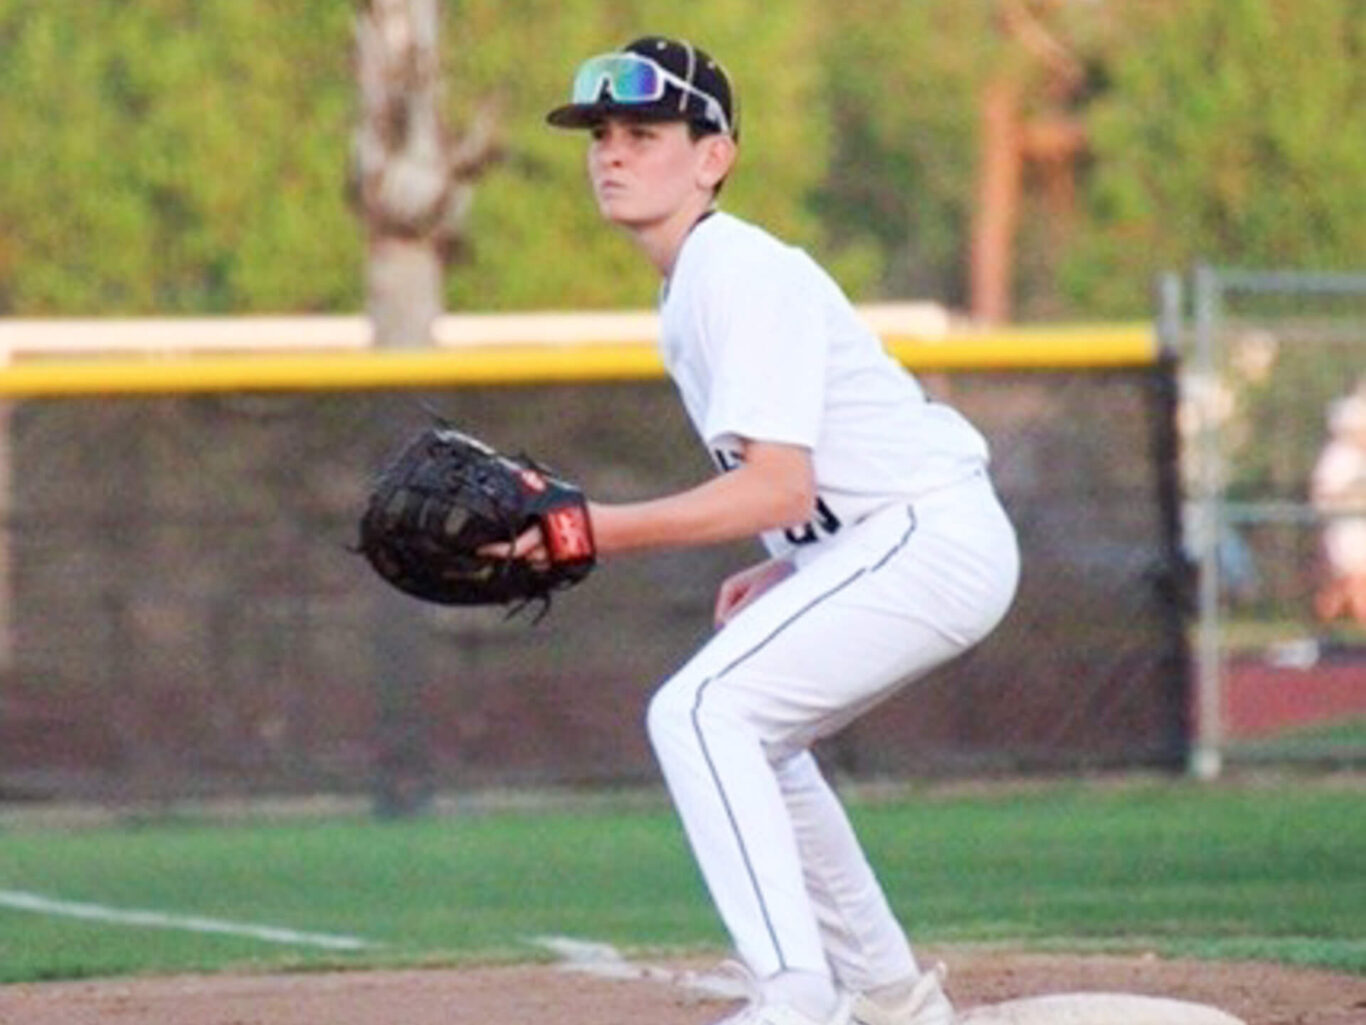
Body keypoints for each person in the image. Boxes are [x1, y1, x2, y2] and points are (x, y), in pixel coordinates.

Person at [532, 35, 1020, 1025]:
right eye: (600, 135)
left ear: (713, 156)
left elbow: (775, 488)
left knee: (701, 711)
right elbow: (801, 489)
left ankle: (795, 994)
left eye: (643, 131)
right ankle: (886, 994)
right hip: (899, 536)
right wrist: (801, 566)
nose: (610, 153)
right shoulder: (696, 282)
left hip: (928, 535)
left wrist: (588, 530)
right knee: (762, 731)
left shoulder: (735, 271)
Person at [1311, 384, 1366, 627]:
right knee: (1358, 582)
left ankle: (1321, 618)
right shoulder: (1337, 457)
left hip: (1360, 526)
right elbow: (1323, 496)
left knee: (1350, 584)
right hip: (1347, 529)